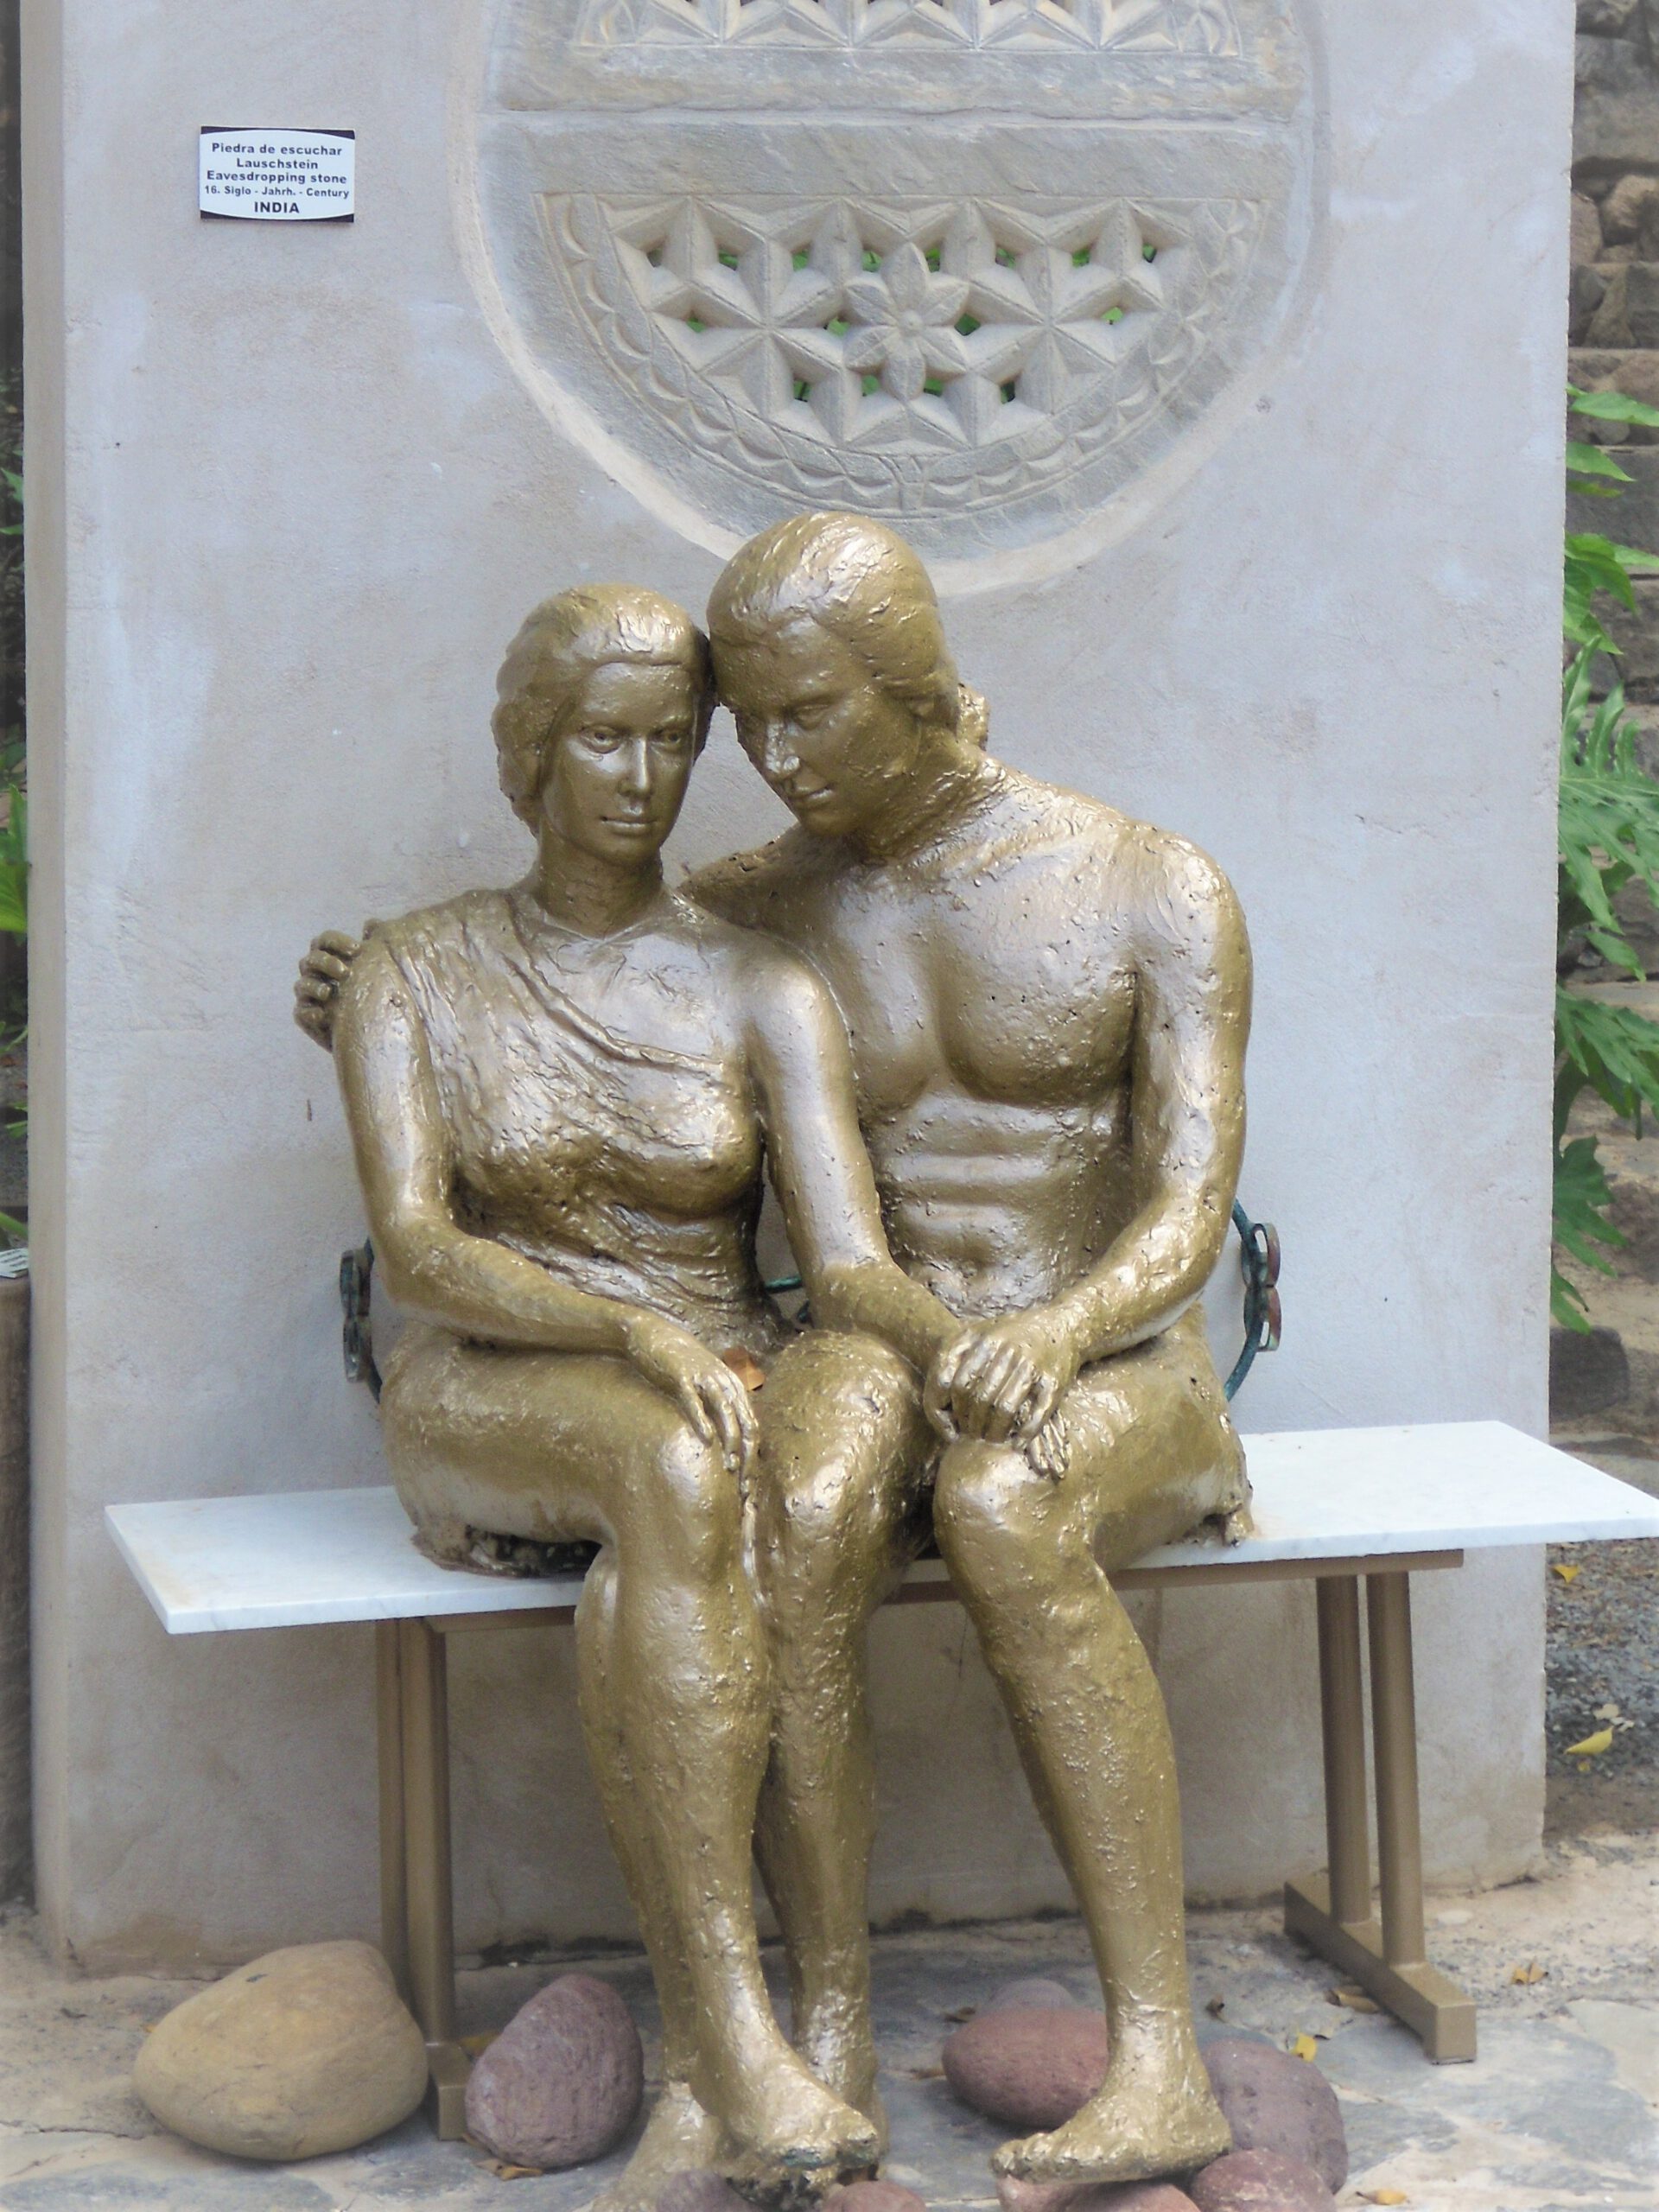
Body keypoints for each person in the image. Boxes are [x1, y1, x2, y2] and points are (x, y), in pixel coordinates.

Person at [300, 516, 1250, 2192]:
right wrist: (368, 988)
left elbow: (1188, 1207)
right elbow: (588, 954)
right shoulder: (762, 904)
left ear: (918, 687)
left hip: (1106, 1353)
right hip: (883, 1347)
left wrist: (1056, 1330)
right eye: (746, 726)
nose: (771, 761)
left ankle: (1161, 2058)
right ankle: (819, 2026)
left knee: (1004, 1504)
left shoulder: (1145, 885)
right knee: (796, 1513)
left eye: (808, 715)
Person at [315, 582, 963, 2199]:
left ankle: (813, 2023)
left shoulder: (759, 983)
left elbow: (846, 1259)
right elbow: (420, 1252)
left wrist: (976, 1348)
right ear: (531, 753)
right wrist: (627, 1333)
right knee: (674, 1470)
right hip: (495, 1379)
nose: (640, 777)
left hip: (721, 1367)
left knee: (778, 1510)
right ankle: (734, 2039)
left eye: (673, 741)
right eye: (603, 740)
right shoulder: (411, 972)